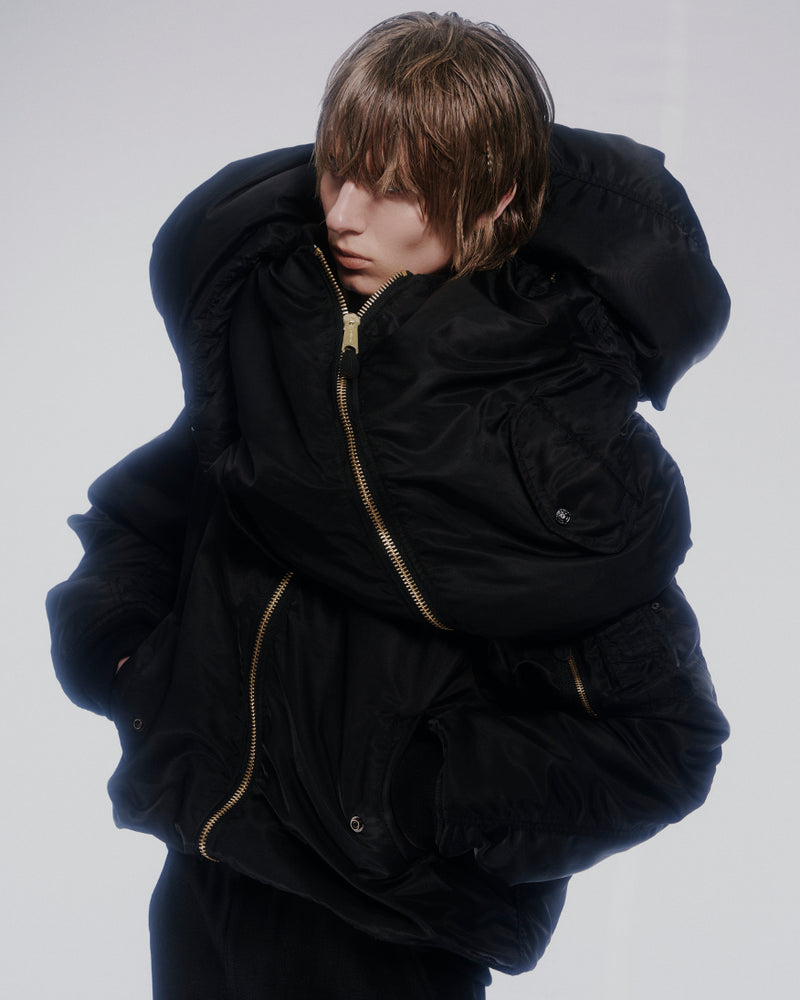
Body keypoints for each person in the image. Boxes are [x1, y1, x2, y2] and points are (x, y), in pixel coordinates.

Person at [47, 11, 730, 999]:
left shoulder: (551, 442)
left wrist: (411, 798)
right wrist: (126, 657)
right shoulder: (278, 341)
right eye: (337, 169)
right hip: (207, 880)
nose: (342, 212)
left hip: (384, 939)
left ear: (492, 199)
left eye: (393, 187)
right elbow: (143, 517)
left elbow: (662, 741)